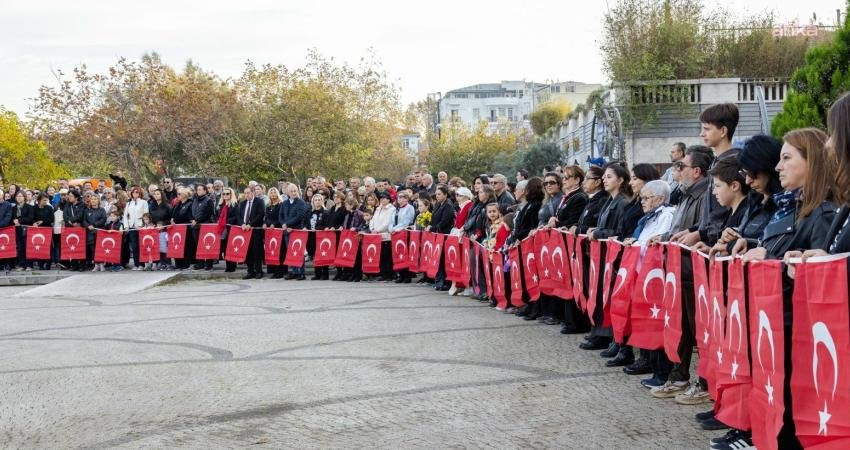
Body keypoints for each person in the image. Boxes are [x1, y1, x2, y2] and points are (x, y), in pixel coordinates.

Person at [584, 162, 636, 353]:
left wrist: (599, 233)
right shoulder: (609, 200)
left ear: (621, 180)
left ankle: (619, 342)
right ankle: (609, 337)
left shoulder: (622, 202)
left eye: (609, 177)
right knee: (604, 298)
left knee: (615, 299)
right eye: (604, 177)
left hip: (615, 257)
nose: (604, 180)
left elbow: (619, 232)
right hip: (603, 257)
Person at [279, 183, 310, 280]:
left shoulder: (301, 203)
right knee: (291, 252)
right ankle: (294, 271)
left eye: (295, 191)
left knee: (299, 252)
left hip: (297, 231)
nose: (293, 193)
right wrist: (283, 224)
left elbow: (299, 216)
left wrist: (287, 224)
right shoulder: (284, 203)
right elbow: (281, 216)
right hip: (287, 232)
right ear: (287, 192)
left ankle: (301, 273)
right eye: (291, 191)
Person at [429, 185, 455, 291]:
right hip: (437, 235)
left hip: (444, 234)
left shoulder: (448, 205)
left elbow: (444, 221)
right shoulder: (438, 204)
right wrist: (430, 225)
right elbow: (434, 217)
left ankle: (445, 282)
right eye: (436, 194)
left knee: (444, 259)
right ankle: (439, 280)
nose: (437, 196)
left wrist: (433, 228)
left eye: (439, 194)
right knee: (438, 258)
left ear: (445, 194)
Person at [237, 187, 266, 279]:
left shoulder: (259, 202)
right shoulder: (242, 203)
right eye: (245, 193)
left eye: (248, 193)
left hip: (255, 230)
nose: (247, 195)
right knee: (248, 252)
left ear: (253, 192)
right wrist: (242, 224)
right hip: (245, 231)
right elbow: (239, 216)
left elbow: (260, 214)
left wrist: (250, 224)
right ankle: (250, 271)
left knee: (256, 252)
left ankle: (259, 271)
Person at [369, 192, 396, 282]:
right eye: (381, 198)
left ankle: (388, 275)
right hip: (376, 235)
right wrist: (372, 228)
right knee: (380, 256)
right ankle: (382, 274)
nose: (382, 200)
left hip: (386, 235)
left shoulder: (391, 209)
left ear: (388, 199)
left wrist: (378, 230)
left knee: (387, 256)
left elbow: (388, 222)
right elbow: (372, 219)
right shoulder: (378, 208)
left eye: (384, 198)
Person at [389, 191, 415, 283]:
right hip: (395, 234)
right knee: (397, 253)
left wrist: (395, 229)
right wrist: (391, 228)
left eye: (402, 197)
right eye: (399, 197)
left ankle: (407, 276)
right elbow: (391, 221)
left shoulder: (410, 208)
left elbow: (407, 221)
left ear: (407, 198)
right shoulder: (396, 209)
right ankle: (400, 274)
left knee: (404, 254)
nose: (400, 199)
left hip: (404, 233)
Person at [190, 185, 215, 271]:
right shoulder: (195, 200)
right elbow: (191, 211)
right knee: (198, 245)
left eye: (200, 189)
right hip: (195, 226)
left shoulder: (208, 200)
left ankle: (209, 263)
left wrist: (197, 220)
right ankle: (200, 263)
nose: (198, 191)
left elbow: (209, 213)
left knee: (207, 244)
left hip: (205, 225)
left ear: (205, 191)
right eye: (197, 190)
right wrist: (192, 219)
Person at [339, 197, 365, 282]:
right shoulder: (347, 215)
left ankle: (358, 275)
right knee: (350, 256)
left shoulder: (359, 213)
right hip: (349, 238)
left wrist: (357, 228)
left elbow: (363, 224)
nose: (345, 206)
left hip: (356, 238)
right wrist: (342, 227)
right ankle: (352, 274)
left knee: (357, 258)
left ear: (352, 205)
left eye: (347, 204)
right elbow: (345, 224)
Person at [123, 187, 149, 270]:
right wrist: (126, 226)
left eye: (137, 192)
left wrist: (141, 225)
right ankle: (136, 264)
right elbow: (125, 216)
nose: (135, 194)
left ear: (140, 193)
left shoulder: (144, 202)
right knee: (134, 246)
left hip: (140, 227)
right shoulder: (129, 203)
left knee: (142, 245)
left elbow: (146, 214)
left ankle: (142, 264)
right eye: (133, 192)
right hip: (131, 227)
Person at [263, 188, 284, 279]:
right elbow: (266, 217)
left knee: (279, 251)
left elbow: (281, 217)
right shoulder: (268, 205)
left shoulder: (281, 204)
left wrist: (274, 224)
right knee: (272, 250)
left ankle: (280, 272)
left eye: (274, 192)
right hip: (270, 231)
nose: (273, 194)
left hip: (278, 230)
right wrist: (265, 223)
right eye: (271, 192)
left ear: (277, 193)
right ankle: (274, 271)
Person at [170, 188, 194, 270]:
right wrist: (172, 219)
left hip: (186, 229)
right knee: (177, 245)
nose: (178, 195)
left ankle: (186, 264)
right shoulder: (178, 204)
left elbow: (190, 216)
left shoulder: (190, 204)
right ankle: (178, 264)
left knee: (187, 247)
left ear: (185, 195)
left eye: (180, 194)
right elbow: (173, 214)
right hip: (177, 229)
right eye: (177, 193)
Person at [83, 194, 106, 271]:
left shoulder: (102, 210)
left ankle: (102, 264)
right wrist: (88, 226)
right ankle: (96, 264)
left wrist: (94, 225)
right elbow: (84, 221)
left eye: (95, 199)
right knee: (93, 249)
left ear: (98, 200)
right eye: (92, 199)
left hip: (99, 232)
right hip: (90, 233)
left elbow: (103, 219)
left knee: (100, 248)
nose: (93, 200)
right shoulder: (87, 210)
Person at [32, 193, 55, 270]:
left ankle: (48, 264)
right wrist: (34, 222)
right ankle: (40, 264)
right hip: (37, 231)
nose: (46, 202)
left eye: (47, 200)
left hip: (47, 230)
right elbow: (31, 217)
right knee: (39, 246)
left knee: (48, 247)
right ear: (39, 200)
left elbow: (51, 219)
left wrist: (43, 221)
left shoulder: (49, 208)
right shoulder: (34, 208)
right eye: (44, 200)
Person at [12, 191, 34, 270]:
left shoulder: (29, 207)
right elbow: (11, 218)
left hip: (27, 229)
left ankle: (29, 265)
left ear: (24, 197)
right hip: (17, 230)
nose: (19, 197)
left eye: (21, 196)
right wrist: (14, 221)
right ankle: (22, 265)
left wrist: (19, 220)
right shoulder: (13, 208)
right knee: (20, 248)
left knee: (28, 247)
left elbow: (30, 218)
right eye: (17, 196)